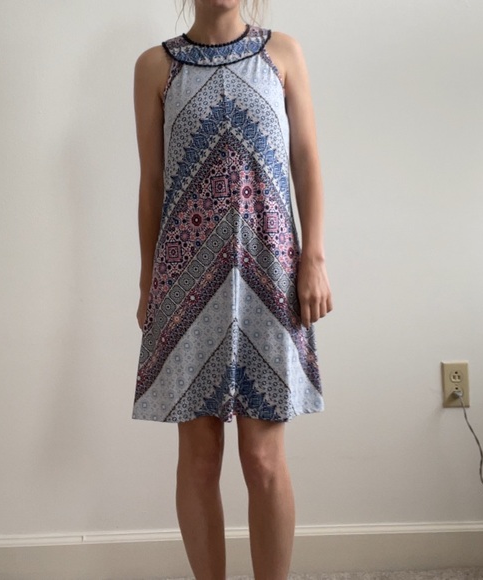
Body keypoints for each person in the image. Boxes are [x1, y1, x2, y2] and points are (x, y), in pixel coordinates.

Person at [131, 0, 332, 578]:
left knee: (263, 458)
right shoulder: (155, 67)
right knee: (198, 460)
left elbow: (305, 159)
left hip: (270, 272)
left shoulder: (282, 53)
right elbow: (152, 182)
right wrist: (148, 280)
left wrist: (314, 258)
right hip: (186, 278)